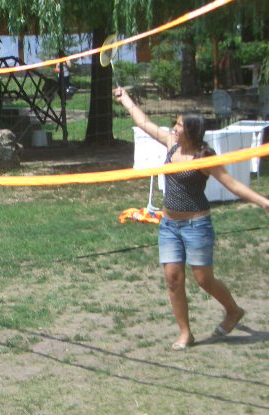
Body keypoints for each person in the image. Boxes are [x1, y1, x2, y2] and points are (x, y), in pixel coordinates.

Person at [114, 86, 269, 350]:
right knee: (173, 279)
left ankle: (233, 310)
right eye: (175, 123)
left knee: (203, 279)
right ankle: (185, 333)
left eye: (179, 125)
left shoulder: (204, 157)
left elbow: (232, 184)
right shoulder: (171, 143)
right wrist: (124, 99)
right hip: (168, 225)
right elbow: (144, 122)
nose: (174, 128)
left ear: (192, 131)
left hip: (197, 225)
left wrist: (263, 201)